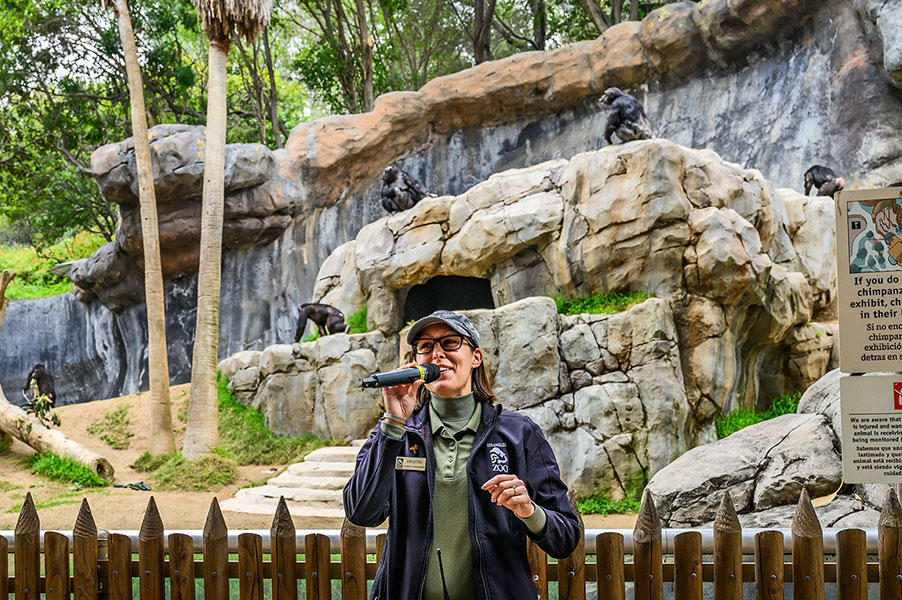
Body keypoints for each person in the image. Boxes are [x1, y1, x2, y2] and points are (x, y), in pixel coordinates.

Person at [343, 310, 581, 600]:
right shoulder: (396, 434)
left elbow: (566, 538)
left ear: (476, 357)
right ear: (416, 361)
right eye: (426, 346)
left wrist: (530, 511)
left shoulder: (520, 433)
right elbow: (361, 512)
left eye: (450, 342)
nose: (437, 354)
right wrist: (393, 423)